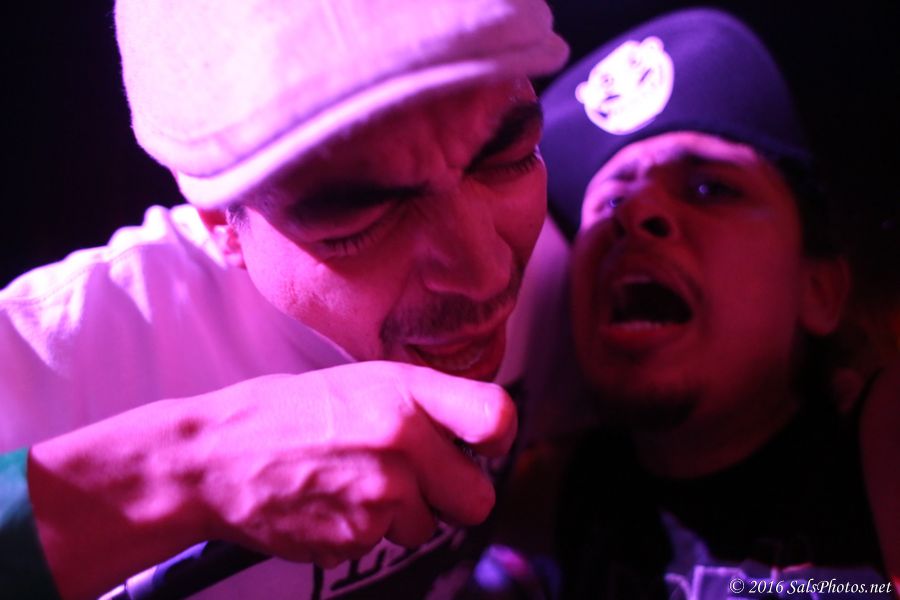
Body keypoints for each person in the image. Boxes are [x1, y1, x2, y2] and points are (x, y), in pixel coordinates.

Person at [0, 1, 574, 598]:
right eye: (360, 223)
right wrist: (191, 471)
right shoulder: (51, 354)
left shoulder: (568, 260)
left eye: (511, 158)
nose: (485, 276)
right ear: (221, 222)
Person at [539, 8, 899, 598]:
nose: (636, 212)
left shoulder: (879, 458)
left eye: (710, 188)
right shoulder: (558, 496)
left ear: (819, 289)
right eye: (608, 205)